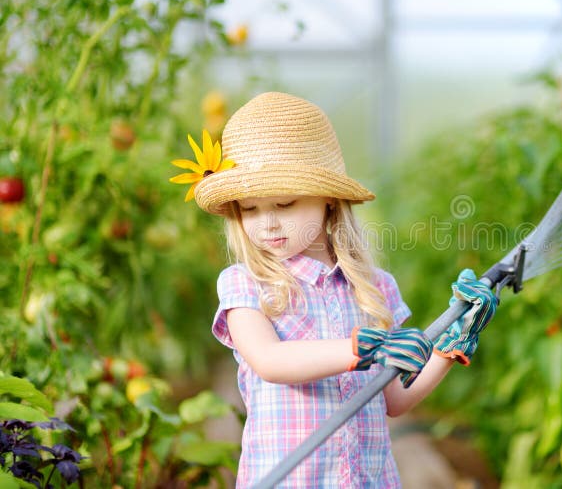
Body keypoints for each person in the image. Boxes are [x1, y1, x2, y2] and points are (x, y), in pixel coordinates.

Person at [170, 92, 497, 488]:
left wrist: (450, 344)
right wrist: (361, 348)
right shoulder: (246, 283)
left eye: (284, 203)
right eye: (250, 209)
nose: (267, 224)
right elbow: (270, 361)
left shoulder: (374, 287)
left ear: (328, 200)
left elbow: (393, 398)